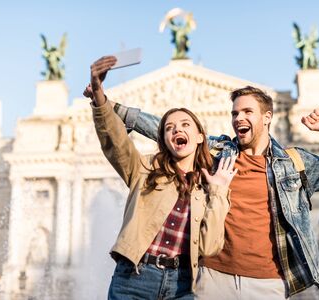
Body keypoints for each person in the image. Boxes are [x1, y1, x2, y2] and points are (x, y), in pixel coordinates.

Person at [103, 84, 319, 299]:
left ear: (267, 118)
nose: (238, 118)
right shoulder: (218, 152)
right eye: (234, 113)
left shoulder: (294, 163)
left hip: (268, 281)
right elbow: (169, 129)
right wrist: (116, 109)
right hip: (212, 278)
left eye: (246, 112)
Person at [87, 55, 237, 299]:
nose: (177, 129)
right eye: (169, 128)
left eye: (186, 125)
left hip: (183, 285)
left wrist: (219, 191)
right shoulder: (145, 168)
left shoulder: (212, 185)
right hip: (133, 278)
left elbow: (210, 246)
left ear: (200, 137)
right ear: (164, 141)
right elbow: (115, 142)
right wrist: (99, 98)